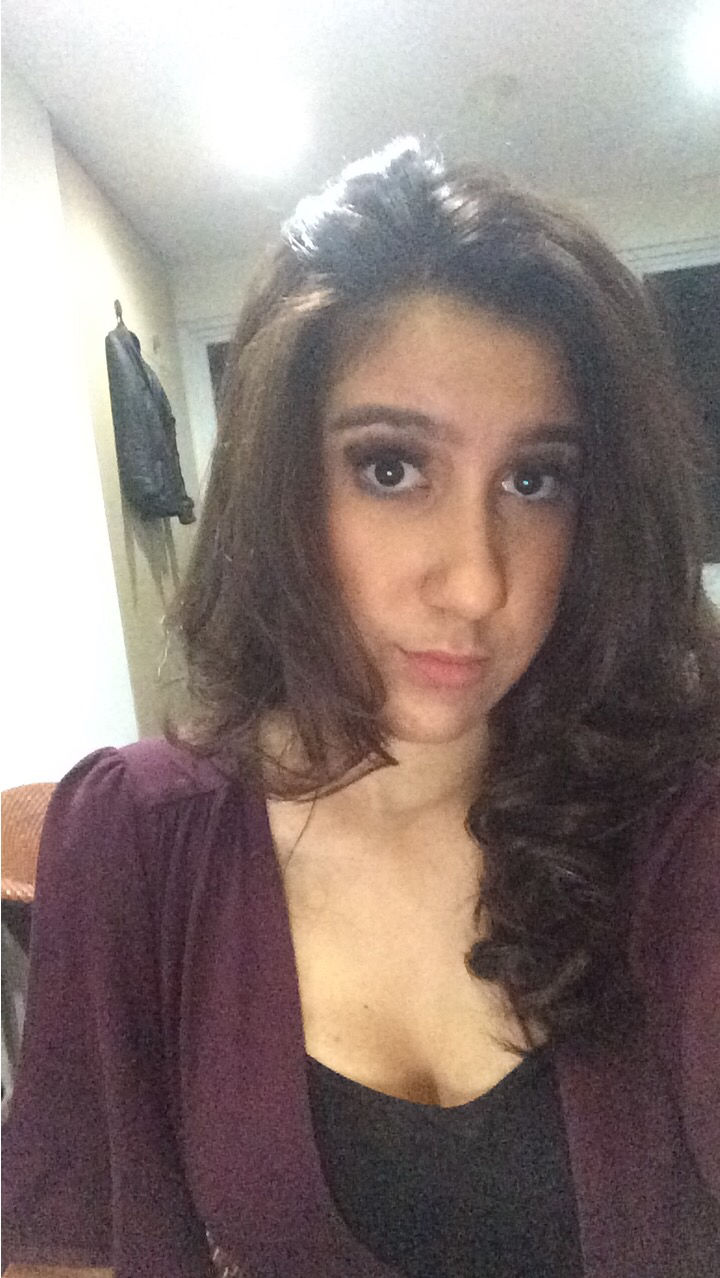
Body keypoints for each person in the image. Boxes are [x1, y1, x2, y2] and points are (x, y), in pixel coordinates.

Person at [3, 138, 719, 1278]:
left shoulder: (676, 822)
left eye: (535, 480)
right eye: (391, 468)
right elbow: (72, 1237)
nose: (475, 582)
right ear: (280, 485)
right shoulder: (139, 833)